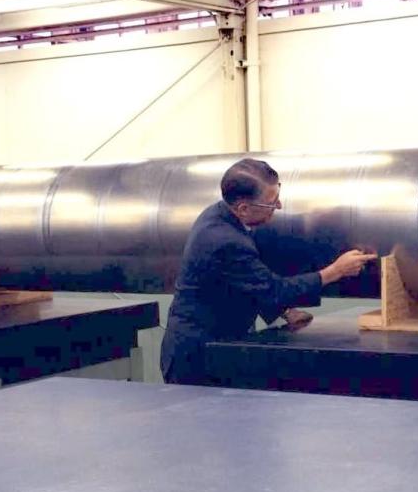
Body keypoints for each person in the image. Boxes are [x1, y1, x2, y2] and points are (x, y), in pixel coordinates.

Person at [160, 157, 377, 385]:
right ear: (243, 208)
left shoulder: (223, 214)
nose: (279, 206)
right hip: (197, 359)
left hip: (217, 347)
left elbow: (242, 282)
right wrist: (336, 271)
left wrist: (283, 310)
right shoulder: (224, 240)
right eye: (272, 203)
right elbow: (272, 290)